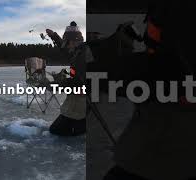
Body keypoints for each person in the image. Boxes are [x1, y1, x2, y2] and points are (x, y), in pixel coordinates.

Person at [87, 0, 195, 179]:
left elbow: (173, 72)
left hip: (171, 151)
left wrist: (98, 74)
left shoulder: (183, 8)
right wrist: (118, 45)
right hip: (157, 142)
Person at [46, 21, 89, 136]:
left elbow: (76, 83)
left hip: (81, 98)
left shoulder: (82, 56)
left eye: (67, 43)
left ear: (73, 42)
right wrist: (54, 36)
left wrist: (53, 85)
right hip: (78, 96)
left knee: (56, 130)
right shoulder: (77, 50)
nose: (66, 46)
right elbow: (64, 48)